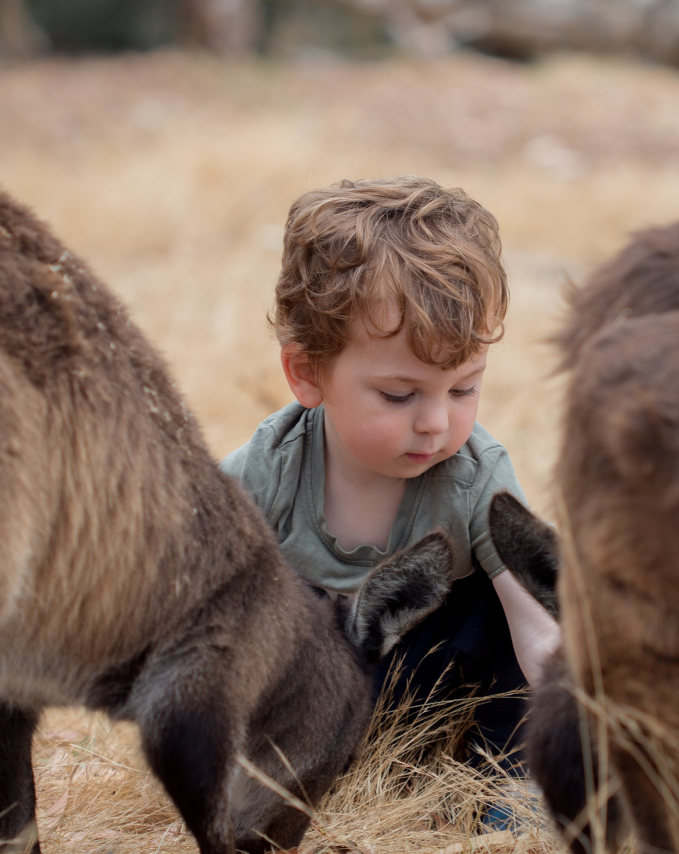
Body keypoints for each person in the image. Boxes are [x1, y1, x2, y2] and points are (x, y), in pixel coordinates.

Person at [221, 175, 558, 776]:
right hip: (304, 706)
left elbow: (538, 630)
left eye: (463, 389)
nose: (436, 422)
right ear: (307, 374)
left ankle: (506, 797)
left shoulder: (477, 478)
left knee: (516, 597)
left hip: (432, 697)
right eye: (400, 395)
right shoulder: (267, 472)